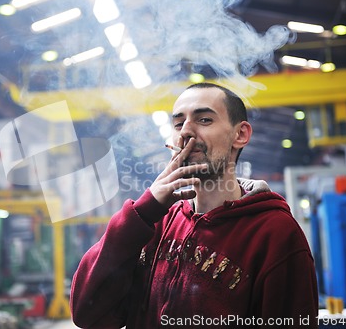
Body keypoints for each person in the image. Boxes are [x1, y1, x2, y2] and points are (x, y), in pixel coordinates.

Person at [70, 83, 318, 328]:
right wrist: (143, 212)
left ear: (240, 134)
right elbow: (87, 313)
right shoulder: (155, 223)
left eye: (204, 120)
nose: (185, 132)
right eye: (178, 124)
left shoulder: (276, 233)